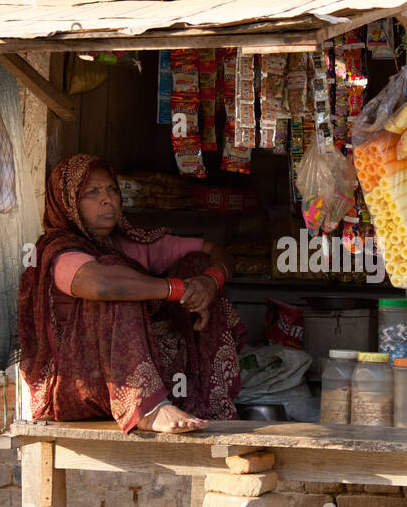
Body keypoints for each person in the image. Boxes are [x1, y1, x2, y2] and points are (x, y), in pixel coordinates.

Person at [18, 153, 245, 433]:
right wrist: (176, 289)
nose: (107, 199)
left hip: (155, 373)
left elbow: (215, 251)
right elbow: (103, 285)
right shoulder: (59, 251)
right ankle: (147, 410)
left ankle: (213, 401)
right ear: (68, 203)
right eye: (92, 192)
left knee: (196, 266)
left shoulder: (126, 242)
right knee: (119, 282)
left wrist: (209, 282)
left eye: (112, 189)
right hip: (81, 383)